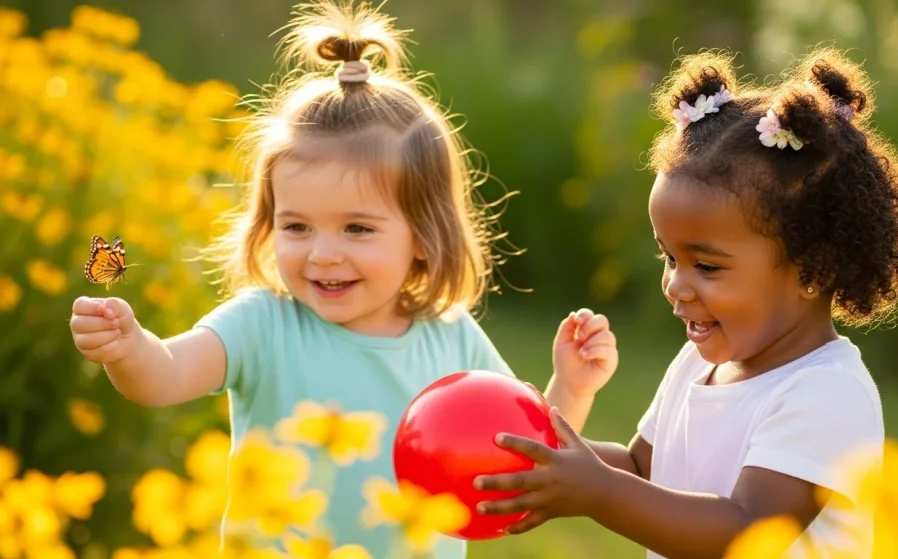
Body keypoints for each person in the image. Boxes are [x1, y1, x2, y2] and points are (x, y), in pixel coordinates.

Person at [68, 1, 618, 557]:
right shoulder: (263, 325)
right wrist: (128, 347)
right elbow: (163, 377)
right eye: (298, 226)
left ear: (425, 237)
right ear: (268, 223)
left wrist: (570, 387)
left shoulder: (450, 337)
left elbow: (526, 453)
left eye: (357, 228)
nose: (323, 254)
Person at [474, 47, 898, 559]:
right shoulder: (698, 362)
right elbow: (645, 470)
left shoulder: (825, 393)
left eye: (707, 266)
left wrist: (598, 491)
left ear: (813, 271)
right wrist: (554, 458)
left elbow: (745, 531)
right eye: (669, 257)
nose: (675, 285)